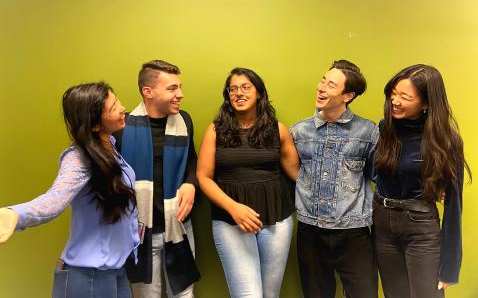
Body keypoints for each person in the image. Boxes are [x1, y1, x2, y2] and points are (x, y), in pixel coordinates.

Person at [0, 82, 139, 298]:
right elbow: (55, 198)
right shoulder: (78, 158)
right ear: (94, 125)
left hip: (115, 270)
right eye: (113, 108)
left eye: (117, 100)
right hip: (89, 277)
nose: (122, 108)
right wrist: (16, 214)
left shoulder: (109, 146)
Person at [196, 67, 299, 298]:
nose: (238, 93)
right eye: (233, 89)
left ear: (259, 93)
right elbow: (203, 177)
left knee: (270, 294)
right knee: (248, 295)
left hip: (276, 218)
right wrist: (234, 209)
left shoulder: (277, 129)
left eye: (245, 87)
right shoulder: (216, 130)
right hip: (231, 221)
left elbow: (297, 175)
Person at [373, 64, 471, 298]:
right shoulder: (386, 127)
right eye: (393, 93)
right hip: (383, 224)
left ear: (426, 103)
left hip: (419, 227)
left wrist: (450, 266)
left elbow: (453, 204)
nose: (395, 101)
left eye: (405, 97)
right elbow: (377, 172)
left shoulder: (446, 140)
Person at [290, 60, 378, 298]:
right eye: (322, 80)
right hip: (311, 230)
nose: (321, 88)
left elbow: (379, 177)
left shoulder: (368, 132)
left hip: (354, 231)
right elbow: (293, 173)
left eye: (331, 85)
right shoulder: (298, 132)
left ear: (347, 95)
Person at [114, 60, 200, 298]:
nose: (180, 94)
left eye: (179, 87)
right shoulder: (121, 128)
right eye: (172, 88)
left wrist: (191, 184)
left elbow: (192, 161)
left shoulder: (185, 121)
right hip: (139, 233)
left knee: (184, 295)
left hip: (179, 228)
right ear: (148, 91)